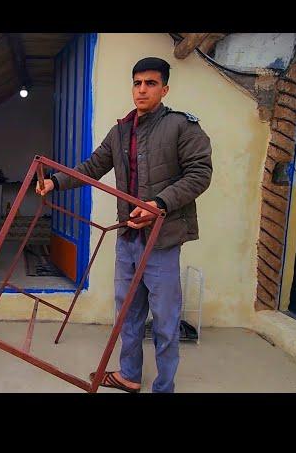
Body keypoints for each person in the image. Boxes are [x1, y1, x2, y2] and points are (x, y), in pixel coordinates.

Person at [36, 57, 212, 393]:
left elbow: (200, 174)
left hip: (161, 240)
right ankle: (129, 376)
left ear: (165, 88)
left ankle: (164, 387)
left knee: (164, 320)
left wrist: (158, 204)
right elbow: (91, 167)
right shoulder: (120, 131)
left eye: (150, 83)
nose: (142, 89)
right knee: (128, 314)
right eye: (137, 83)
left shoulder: (181, 127)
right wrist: (54, 183)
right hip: (129, 236)